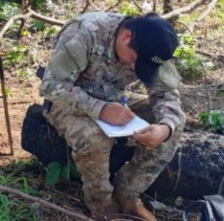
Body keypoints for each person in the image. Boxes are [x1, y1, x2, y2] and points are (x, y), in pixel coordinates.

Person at [40, 12, 185, 221]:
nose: (136, 68)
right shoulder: (85, 34)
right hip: (67, 101)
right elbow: (50, 86)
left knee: (174, 123)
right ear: (126, 37)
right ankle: (102, 207)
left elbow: (167, 93)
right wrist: (99, 108)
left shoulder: (153, 47)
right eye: (136, 60)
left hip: (113, 98)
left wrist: (165, 127)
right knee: (94, 138)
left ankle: (128, 194)